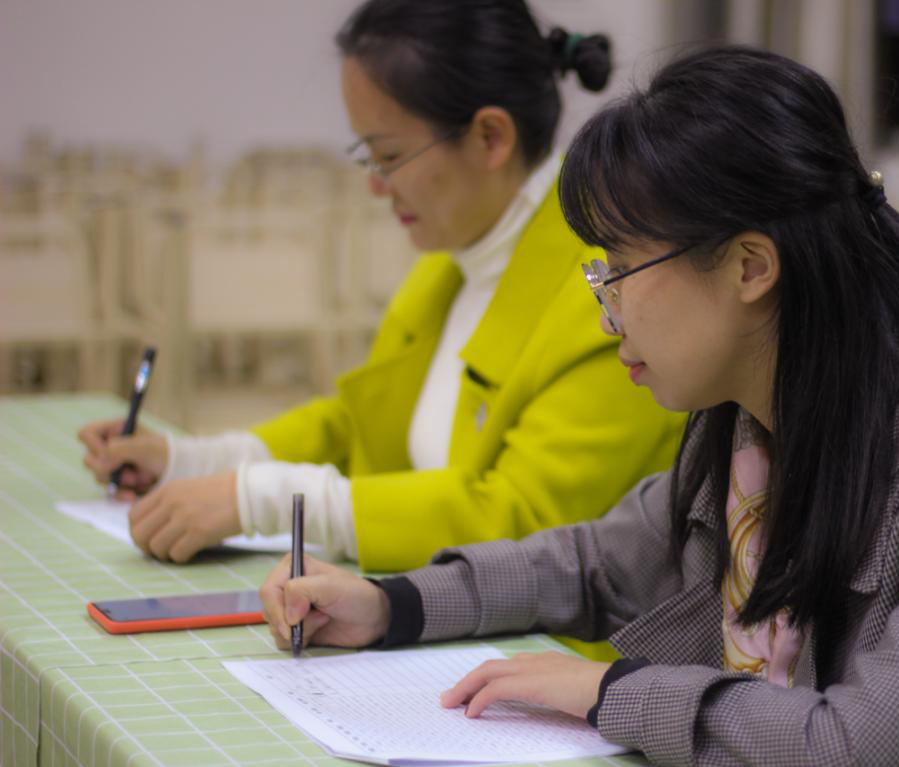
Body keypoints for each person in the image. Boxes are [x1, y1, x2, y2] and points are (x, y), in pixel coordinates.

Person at [259, 46, 899, 765]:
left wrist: (610, 693)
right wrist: (389, 604)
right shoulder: (749, 426)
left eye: (620, 269)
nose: (604, 309)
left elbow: (862, 745)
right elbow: (593, 566)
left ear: (750, 266)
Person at [76, 0, 683, 569]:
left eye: (389, 157)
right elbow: (361, 424)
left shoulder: (607, 293)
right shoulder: (456, 258)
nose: (375, 185)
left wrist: (267, 500)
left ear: (490, 137)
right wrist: (191, 463)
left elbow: (523, 521)